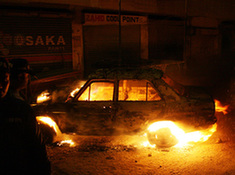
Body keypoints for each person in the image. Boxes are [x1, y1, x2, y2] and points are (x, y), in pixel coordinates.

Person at [0, 57, 51, 175]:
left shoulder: (21, 108)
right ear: (20, 77)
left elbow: (37, 148)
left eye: (4, 80)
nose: (1, 85)